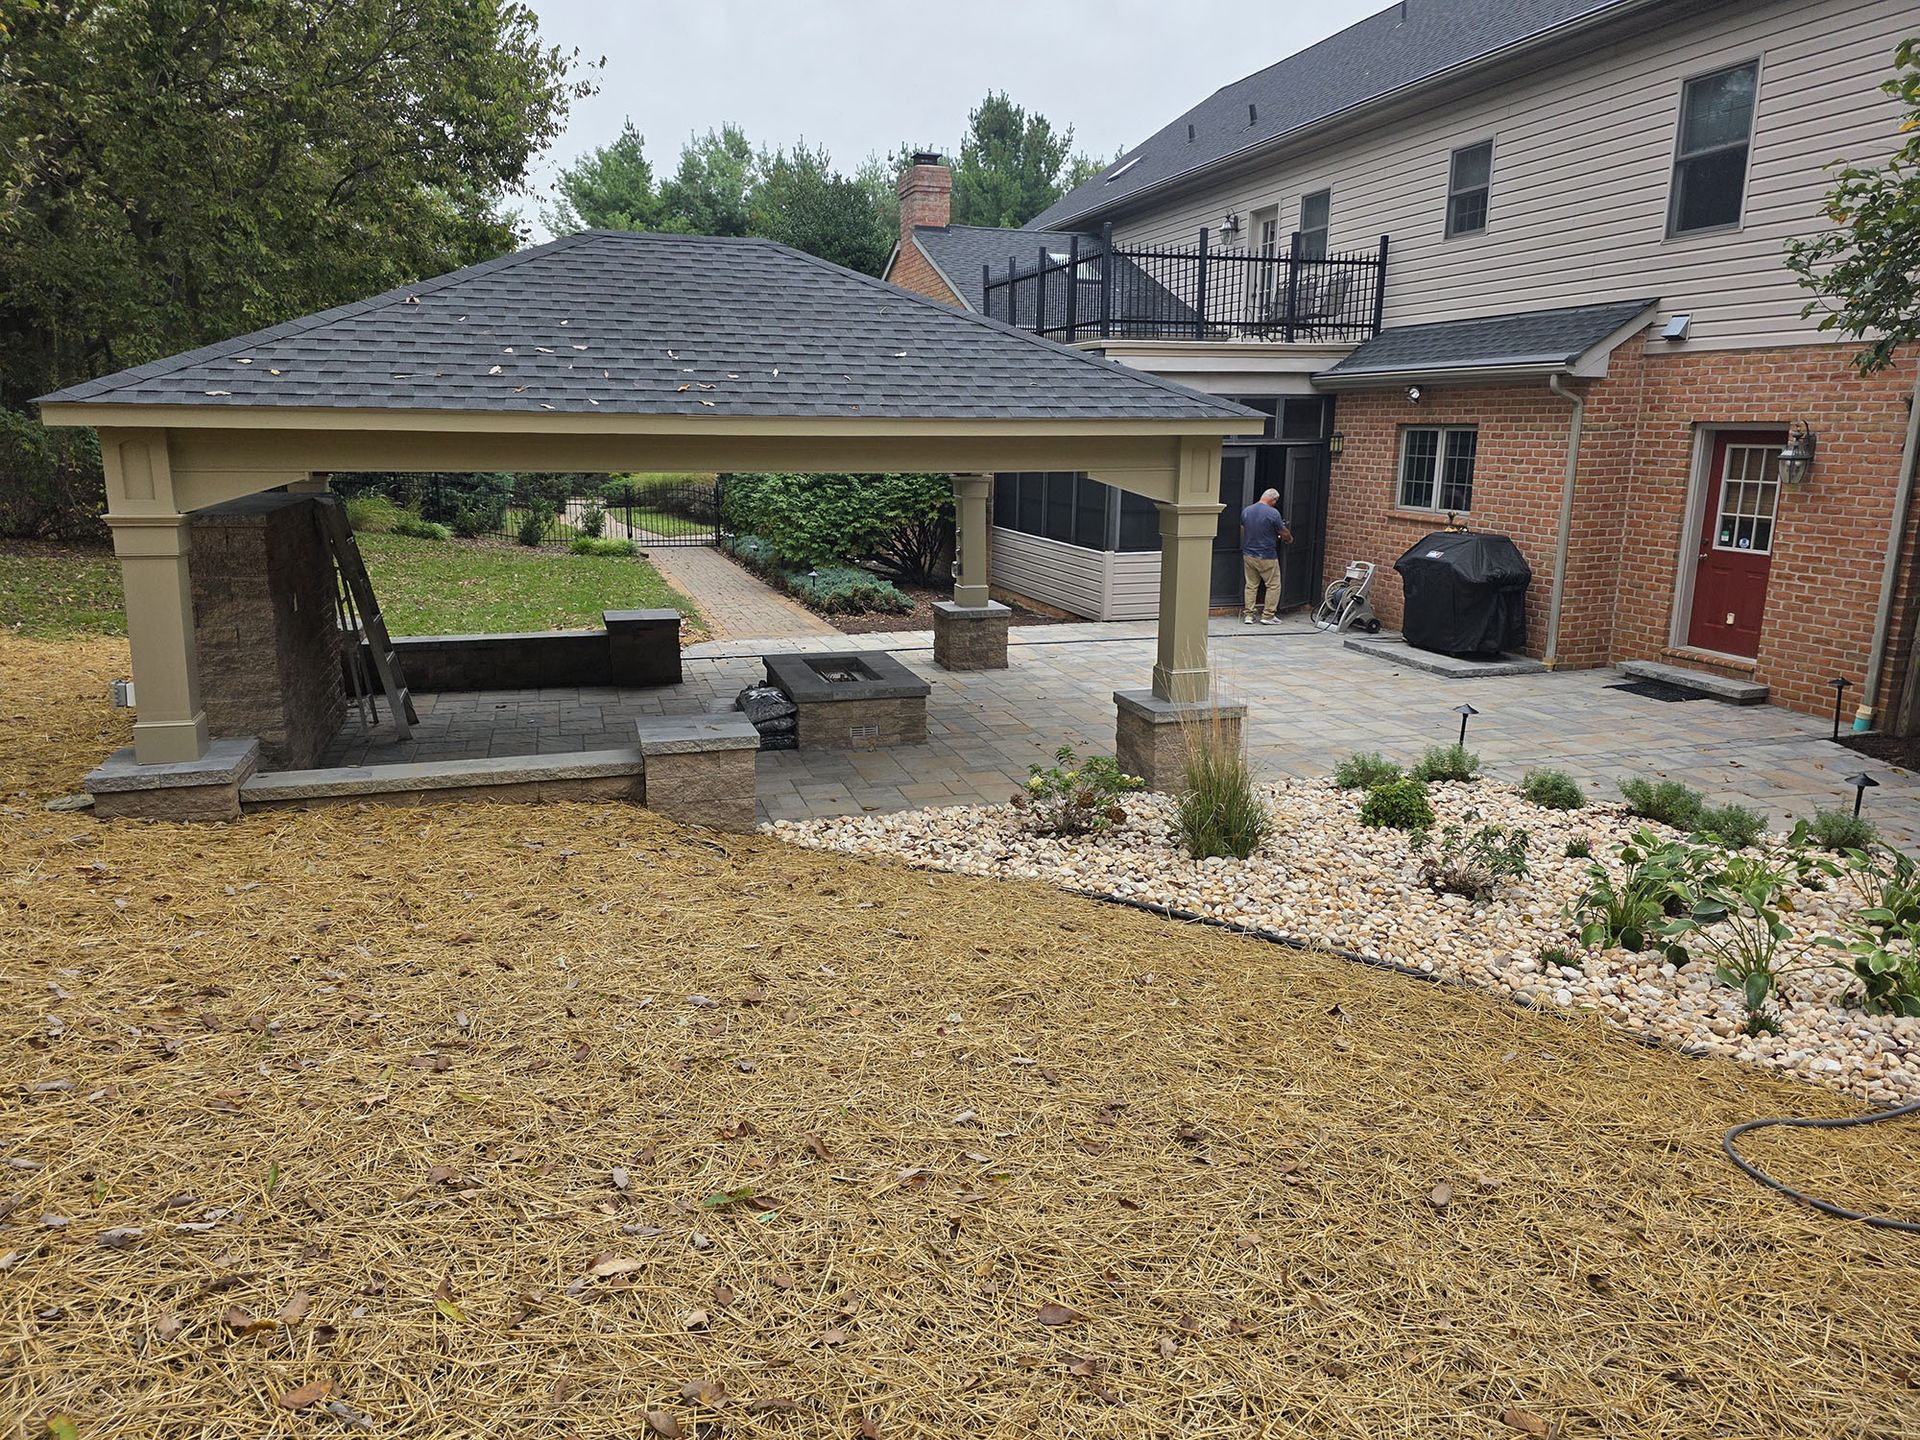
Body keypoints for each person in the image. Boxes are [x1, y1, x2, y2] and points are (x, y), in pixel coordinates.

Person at [1240, 487, 1294, 624]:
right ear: (1273, 499)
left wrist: (1245, 546)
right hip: (1267, 555)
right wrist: (1288, 538)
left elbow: (1243, 531)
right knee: (1273, 585)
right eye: (1276, 501)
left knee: (1251, 585)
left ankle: (1249, 615)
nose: (1275, 503)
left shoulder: (1247, 510)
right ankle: (1268, 616)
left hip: (1248, 554)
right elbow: (1283, 532)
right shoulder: (1273, 513)